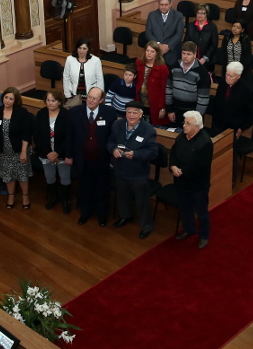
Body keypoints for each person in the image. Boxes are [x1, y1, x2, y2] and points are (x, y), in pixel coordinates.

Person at [108, 102, 158, 239]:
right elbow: (110, 142)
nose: (131, 115)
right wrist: (113, 150)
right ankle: (125, 216)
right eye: (129, 112)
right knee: (122, 197)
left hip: (138, 173)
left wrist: (136, 155)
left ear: (141, 114)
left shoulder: (148, 130)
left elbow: (153, 152)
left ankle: (146, 226)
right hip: (120, 169)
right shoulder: (117, 125)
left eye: (135, 112)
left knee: (141, 201)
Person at [70, 87, 119, 226]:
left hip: (101, 160)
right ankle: (85, 213)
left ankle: (101, 215)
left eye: (94, 98)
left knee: (102, 188)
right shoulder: (75, 112)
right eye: (89, 97)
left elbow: (112, 135)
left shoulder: (109, 113)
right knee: (84, 188)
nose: (90, 101)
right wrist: (69, 155)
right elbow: (70, 136)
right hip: (82, 159)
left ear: (101, 100)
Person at [170, 111, 213, 248]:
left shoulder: (205, 142)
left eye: (187, 123)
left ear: (197, 127)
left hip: (197, 185)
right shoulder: (181, 137)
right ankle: (189, 229)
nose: (184, 125)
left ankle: (204, 236)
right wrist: (173, 166)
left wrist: (182, 171)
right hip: (181, 182)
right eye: (184, 122)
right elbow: (173, 153)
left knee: (201, 212)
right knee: (185, 209)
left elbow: (200, 164)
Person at [0, 87, 34, 210]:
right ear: (2, 97)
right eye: (6, 97)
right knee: (8, 175)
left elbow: (26, 134)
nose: (8, 101)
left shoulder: (22, 112)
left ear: (16, 101)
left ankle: (25, 197)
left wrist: (24, 152)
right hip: (4, 151)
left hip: (19, 150)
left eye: (11, 99)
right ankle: (11, 196)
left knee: (22, 175)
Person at [33, 89, 75, 213]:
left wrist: (57, 152)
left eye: (53, 100)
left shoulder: (66, 115)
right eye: (48, 100)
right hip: (46, 153)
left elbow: (69, 137)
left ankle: (65, 200)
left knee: (64, 177)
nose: (50, 103)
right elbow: (37, 136)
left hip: (61, 154)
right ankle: (54, 197)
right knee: (49, 177)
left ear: (60, 102)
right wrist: (49, 153)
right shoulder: (41, 114)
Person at [167, 41, 211, 125]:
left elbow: (203, 98)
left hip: (192, 113)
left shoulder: (202, 72)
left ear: (195, 55)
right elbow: (169, 89)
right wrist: (170, 110)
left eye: (189, 54)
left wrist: (197, 117)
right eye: (184, 53)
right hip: (175, 110)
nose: (185, 56)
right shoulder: (174, 67)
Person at [209, 61, 253, 136]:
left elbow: (250, 112)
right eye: (227, 74)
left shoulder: (246, 90)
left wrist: (242, 128)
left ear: (238, 76)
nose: (228, 78)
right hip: (218, 123)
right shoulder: (222, 82)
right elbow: (217, 103)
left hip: (233, 127)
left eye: (231, 76)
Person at [134, 41, 170, 125]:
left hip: (154, 104)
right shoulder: (139, 62)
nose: (149, 53)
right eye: (147, 50)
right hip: (140, 101)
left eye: (152, 51)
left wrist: (163, 108)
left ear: (157, 53)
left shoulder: (162, 68)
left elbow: (164, 89)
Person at [63, 38, 104, 108]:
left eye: (84, 48)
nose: (81, 50)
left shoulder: (96, 61)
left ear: (88, 49)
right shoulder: (70, 59)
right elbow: (66, 77)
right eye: (80, 48)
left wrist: (99, 96)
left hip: (90, 96)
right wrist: (67, 95)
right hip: (75, 95)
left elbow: (99, 79)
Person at [146, 0, 185, 66]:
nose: (164, 7)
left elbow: (179, 34)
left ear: (171, 4)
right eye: (161, 5)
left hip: (171, 48)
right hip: (155, 48)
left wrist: (167, 46)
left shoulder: (178, 16)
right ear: (158, 4)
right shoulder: (152, 15)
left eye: (166, 5)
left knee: (170, 62)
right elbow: (148, 33)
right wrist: (158, 45)